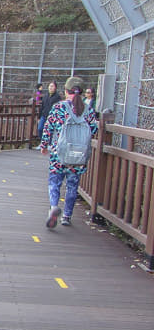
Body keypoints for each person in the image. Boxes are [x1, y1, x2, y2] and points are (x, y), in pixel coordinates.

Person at [40, 76, 98, 228]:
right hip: (78, 155)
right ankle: (67, 216)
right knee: (72, 185)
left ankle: (53, 207)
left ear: (66, 91)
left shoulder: (59, 107)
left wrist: (44, 145)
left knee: (54, 182)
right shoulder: (88, 110)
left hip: (59, 153)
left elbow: (48, 127)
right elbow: (93, 129)